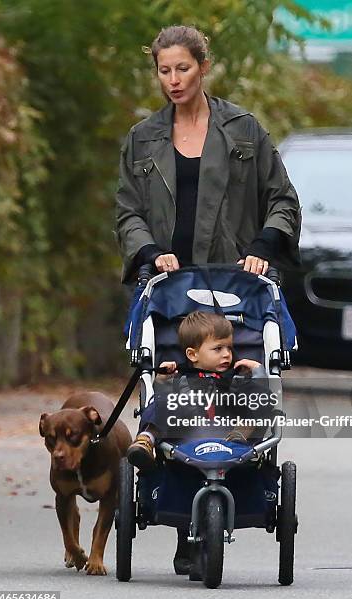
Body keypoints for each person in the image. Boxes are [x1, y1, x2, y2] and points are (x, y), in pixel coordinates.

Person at [115, 25, 301, 284]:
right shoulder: (142, 137)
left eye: (183, 68)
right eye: (164, 71)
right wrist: (151, 252)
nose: (174, 81)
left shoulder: (242, 128)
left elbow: (282, 200)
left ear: (204, 67)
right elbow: (128, 211)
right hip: (166, 287)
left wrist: (261, 248)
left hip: (234, 282)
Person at [127, 311, 268, 471]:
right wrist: (162, 380)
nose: (227, 354)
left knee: (259, 401)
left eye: (229, 348)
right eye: (218, 349)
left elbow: (259, 399)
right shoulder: (181, 377)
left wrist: (258, 372)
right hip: (185, 434)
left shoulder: (235, 375)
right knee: (164, 402)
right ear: (192, 354)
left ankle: (239, 435)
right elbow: (163, 401)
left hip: (230, 434)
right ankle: (146, 439)